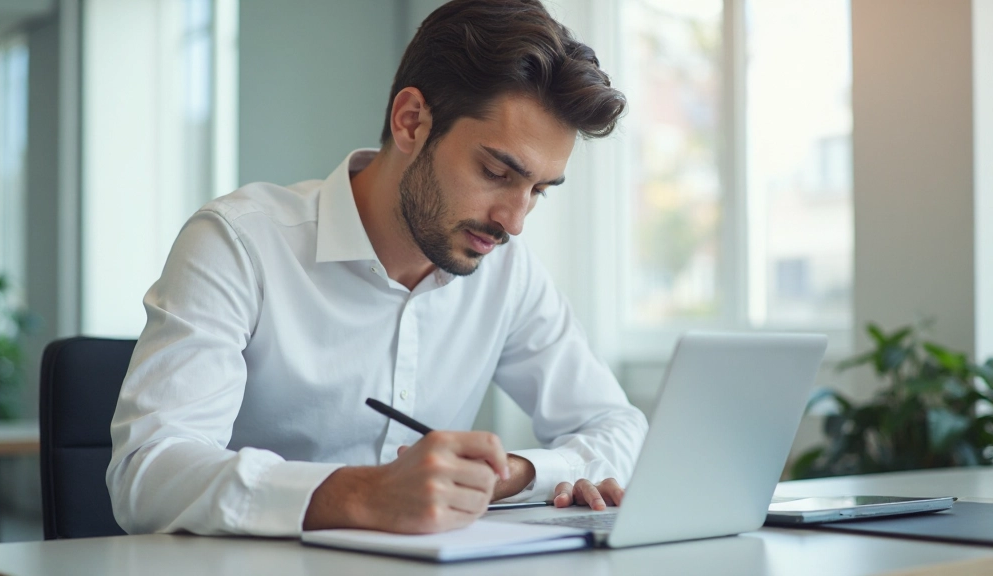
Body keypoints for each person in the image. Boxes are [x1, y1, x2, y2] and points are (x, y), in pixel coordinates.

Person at [107, 0, 648, 537]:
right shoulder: (239, 243)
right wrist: (365, 493)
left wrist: (519, 473)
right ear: (411, 122)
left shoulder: (508, 272)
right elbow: (148, 474)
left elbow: (618, 427)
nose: (514, 220)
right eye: (495, 172)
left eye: (538, 192)